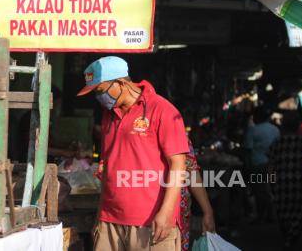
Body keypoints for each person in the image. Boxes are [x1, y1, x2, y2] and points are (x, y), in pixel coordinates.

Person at [77, 56, 189, 251]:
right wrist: (99, 215)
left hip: (151, 222)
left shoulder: (163, 110)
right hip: (109, 222)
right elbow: (107, 165)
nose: (99, 98)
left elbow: (178, 165)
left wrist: (167, 211)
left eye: (100, 91)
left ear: (120, 82)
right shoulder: (108, 116)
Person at [269, 111, 302, 250]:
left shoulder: (276, 143)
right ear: (297, 127)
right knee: (300, 212)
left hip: (281, 184)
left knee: (284, 213)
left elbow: (271, 166)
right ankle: (292, 239)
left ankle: (288, 239)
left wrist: (270, 183)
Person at [244, 106, 279, 222]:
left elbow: (248, 150)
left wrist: (247, 166)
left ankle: (262, 215)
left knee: (259, 191)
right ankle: (271, 214)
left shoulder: (253, 130)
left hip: (257, 166)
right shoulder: (275, 129)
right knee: (270, 190)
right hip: (272, 166)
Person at [180, 140, 215, 251]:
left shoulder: (177, 133)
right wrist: (208, 212)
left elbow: (191, 172)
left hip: (175, 218)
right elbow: (192, 171)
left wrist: (208, 212)